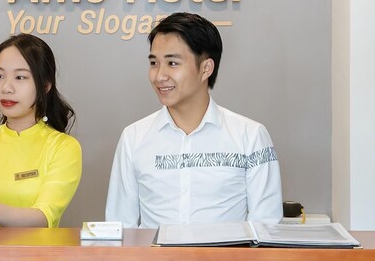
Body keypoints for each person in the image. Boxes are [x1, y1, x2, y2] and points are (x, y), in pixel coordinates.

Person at [105, 12, 282, 228]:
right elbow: (120, 227)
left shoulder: (251, 136)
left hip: (229, 252)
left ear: (206, 68)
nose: (159, 76)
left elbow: (266, 226)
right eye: (154, 63)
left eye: (172, 63)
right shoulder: (133, 137)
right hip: (152, 252)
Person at [0, 34, 82, 227]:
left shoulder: (64, 147)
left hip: (38, 248)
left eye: (20, 77)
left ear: (45, 85)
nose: (6, 88)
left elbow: (43, 218)